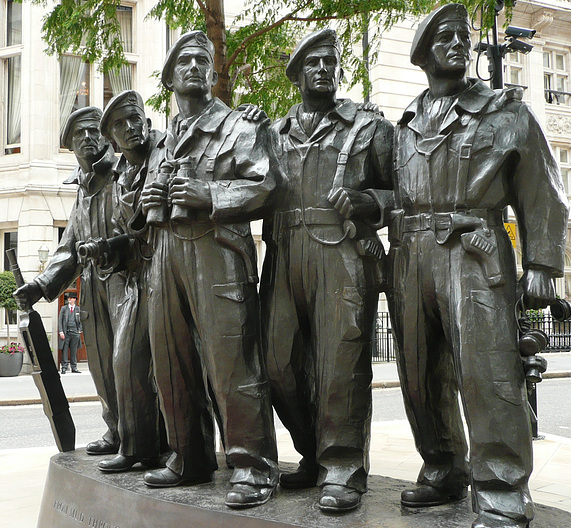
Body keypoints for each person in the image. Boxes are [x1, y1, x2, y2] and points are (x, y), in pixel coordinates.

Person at [388, 5, 568, 528]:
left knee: (488, 371)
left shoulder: (504, 111)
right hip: (411, 255)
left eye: (463, 36)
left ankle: (502, 488)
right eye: (445, 37)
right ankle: (442, 466)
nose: (459, 44)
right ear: (422, 53)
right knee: (420, 373)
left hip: (475, 252)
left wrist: (540, 262)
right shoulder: (405, 122)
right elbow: (392, 190)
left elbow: (542, 187)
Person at [139, 31, 279, 509]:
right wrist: (150, 200)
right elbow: (146, 201)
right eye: (185, 60)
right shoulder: (164, 138)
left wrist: (211, 195)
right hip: (166, 255)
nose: (196, 66)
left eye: (203, 60)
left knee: (231, 362)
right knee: (171, 359)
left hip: (218, 252)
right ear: (170, 76)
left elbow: (265, 187)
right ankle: (189, 455)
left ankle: (252, 465)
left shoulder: (238, 127)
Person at [258, 28, 394, 512]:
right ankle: (312, 452)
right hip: (283, 250)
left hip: (341, 252)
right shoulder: (272, 133)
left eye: (330, 62)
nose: (323, 69)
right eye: (312, 63)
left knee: (341, 362)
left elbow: (405, 193)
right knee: (277, 363)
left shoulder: (367, 127)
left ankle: (343, 467)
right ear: (296, 75)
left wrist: (367, 201)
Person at [13, 106, 121, 455]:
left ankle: (148, 437)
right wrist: (41, 285)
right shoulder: (82, 186)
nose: (87, 139)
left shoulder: (124, 173)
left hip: (127, 282)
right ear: (70, 146)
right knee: (103, 366)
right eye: (79, 135)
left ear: (107, 136)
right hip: (93, 287)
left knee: (131, 364)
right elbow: (70, 246)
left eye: (94, 131)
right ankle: (117, 429)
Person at [95, 90, 168, 473]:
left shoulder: (167, 151)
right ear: (113, 141)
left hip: (176, 267)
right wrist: (108, 248)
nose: (130, 128)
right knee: (126, 360)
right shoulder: (121, 176)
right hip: (141, 277)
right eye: (120, 125)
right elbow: (133, 234)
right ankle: (138, 446)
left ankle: (195, 451)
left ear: (147, 121)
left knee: (193, 368)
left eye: (134, 119)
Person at [58, 293, 82, 373]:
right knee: (64, 350)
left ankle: (74, 367)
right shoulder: (64, 308)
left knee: (73, 351)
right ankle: (64, 367)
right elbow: (60, 320)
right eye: (69, 298)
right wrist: (61, 331)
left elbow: (81, 321)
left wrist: (79, 331)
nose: (69, 299)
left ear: (75, 299)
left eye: (71, 298)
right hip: (66, 332)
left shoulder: (78, 309)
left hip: (75, 333)